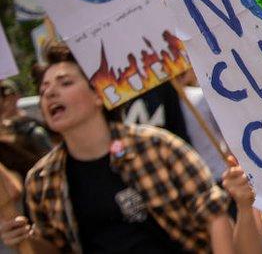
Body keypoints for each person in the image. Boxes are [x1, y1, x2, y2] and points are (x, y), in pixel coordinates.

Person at [0, 42, 240, 253]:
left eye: (65, 83)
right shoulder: (42, 181)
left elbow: (215, 218)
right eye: (43, 90)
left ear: (97, 95)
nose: (50, 92)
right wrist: (25, 238)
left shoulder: (158, 147)